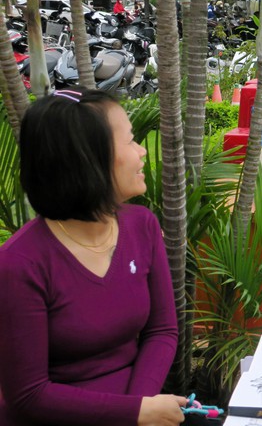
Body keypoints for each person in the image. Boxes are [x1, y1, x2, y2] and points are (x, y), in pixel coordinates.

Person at [0, 89, 187, 426]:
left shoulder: (141, 225)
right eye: (130, 141)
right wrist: (133, 414)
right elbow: (28, 394)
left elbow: (162, 331)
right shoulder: (20, 265)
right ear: (88, 160)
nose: (142, 151)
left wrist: (138, 409)